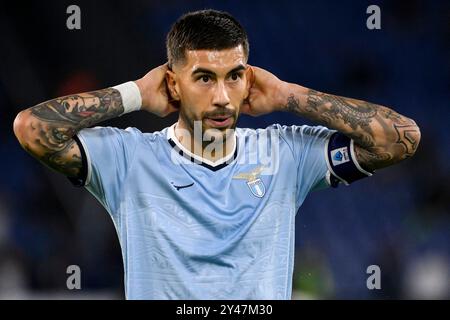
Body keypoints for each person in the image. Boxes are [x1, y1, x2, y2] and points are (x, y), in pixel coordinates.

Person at [13, 9, 420, 299]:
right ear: (173, 84)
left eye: (235, 77)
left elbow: (400, 138)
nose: (223, 98)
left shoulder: (284, 153)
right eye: (204, 78)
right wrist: (135, 92)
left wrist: (288, 95)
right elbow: (33, 128)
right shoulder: (127, 157)